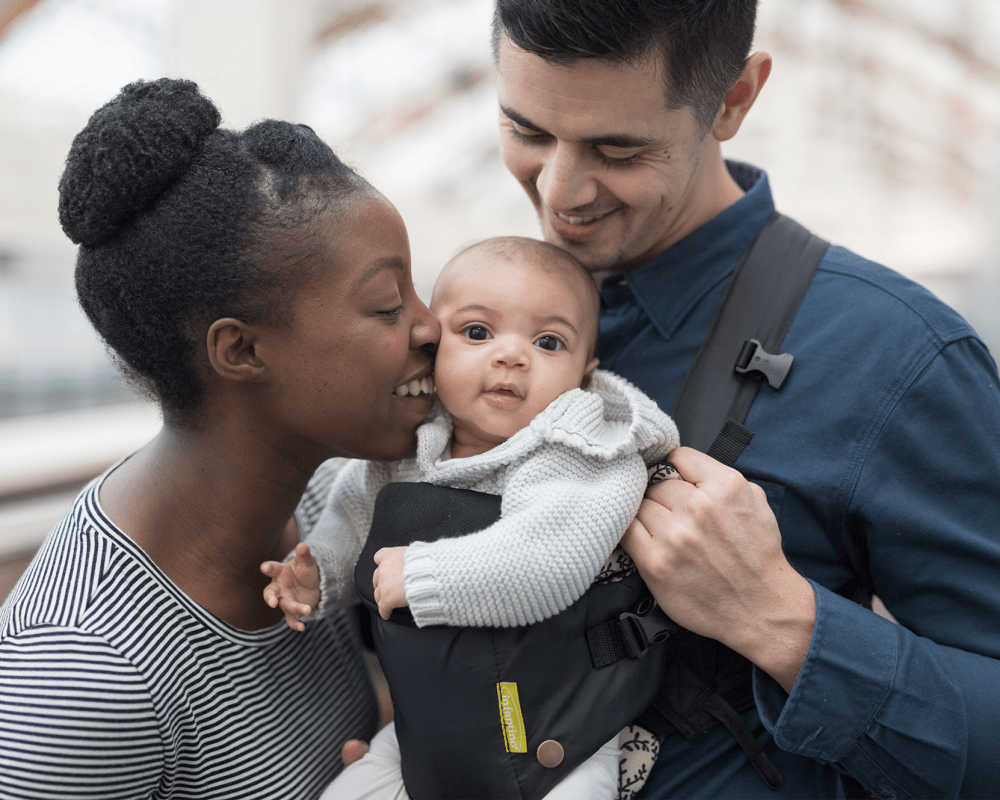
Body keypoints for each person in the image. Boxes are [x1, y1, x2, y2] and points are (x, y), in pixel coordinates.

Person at [490, 1, 1000, 798]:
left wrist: (781, 620)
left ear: (734, 99)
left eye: (617, 148)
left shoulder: (898, 354)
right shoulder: (477, 320)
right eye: (526, 132)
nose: (559, 189)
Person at [0, 78, 441, 799]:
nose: (430, 327)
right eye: (389, 305)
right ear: (239, 351)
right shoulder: (84, 674)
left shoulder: (337, 503)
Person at [261, 235, 680, 799]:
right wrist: (322, 574)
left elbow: (548, 562)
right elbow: (354, 512)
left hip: (560, 728)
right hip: (433, 725)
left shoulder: (576, 451)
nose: (511, 355)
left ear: (584, 372)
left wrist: (427, 576)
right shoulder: (413, 446)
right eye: (477, 333)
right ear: (435, 347)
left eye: (548, 342)